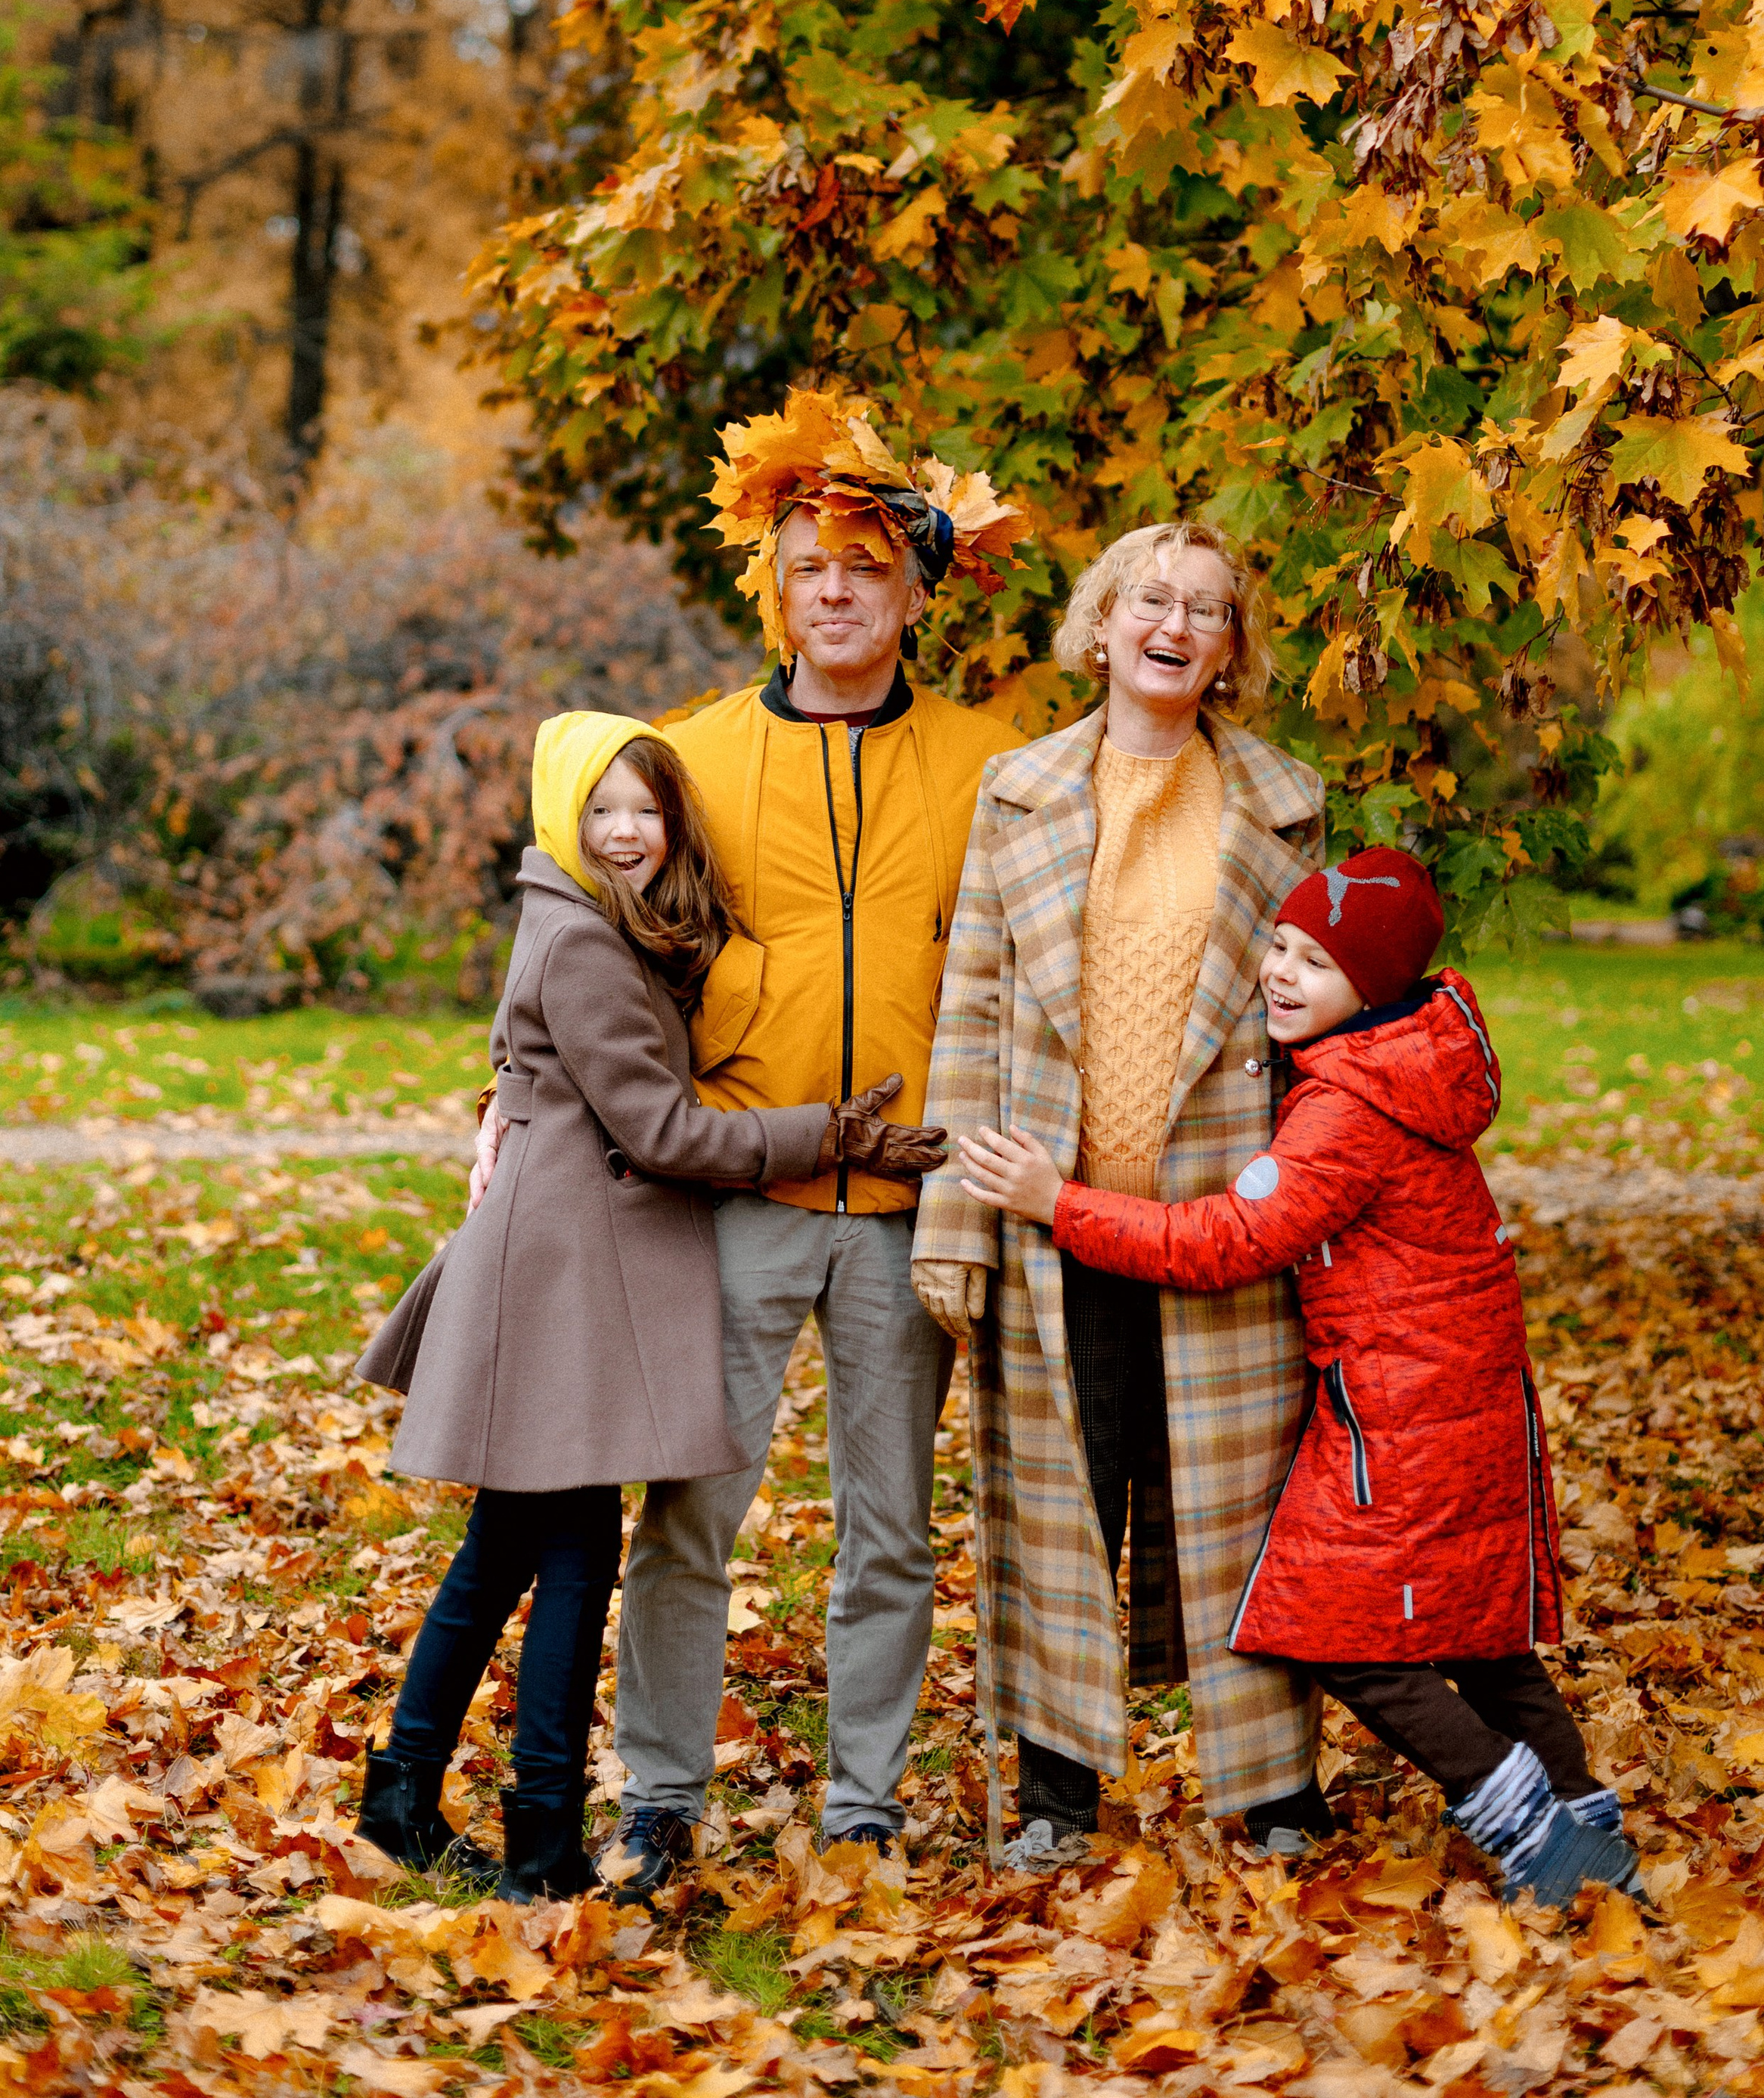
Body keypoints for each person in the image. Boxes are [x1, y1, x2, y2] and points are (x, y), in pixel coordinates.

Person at [473, 395, 1027, 1889]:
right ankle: (658, 1796)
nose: (834, 588)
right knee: (688, 1512)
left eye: (864, 563)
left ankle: (863, 1800)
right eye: (808, 565)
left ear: (915, 589)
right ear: (771, 588)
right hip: (724, 1188)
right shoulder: (695, 757)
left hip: (912, 1202)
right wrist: (501, 1104)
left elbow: (1040, 961)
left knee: (889, 1526)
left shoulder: (993, 759)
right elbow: (580, 938)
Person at [959, 845, 1639, 1907]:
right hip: (1460, 1389)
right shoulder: (1407, 1057)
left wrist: (1060, 1203)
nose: (1280, 973)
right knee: (1474, 1631)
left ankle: (1529, 1824)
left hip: (1401, 1407)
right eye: (1277, 945)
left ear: (1369, 989)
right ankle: (1589, 1825)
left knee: (1335, 1627)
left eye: (1315, 964)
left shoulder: (1348, 1111)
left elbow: (1227, 1239)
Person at [353, 711, 916, 1900]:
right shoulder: (585, 948)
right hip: (568, 1277)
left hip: (564, 1264)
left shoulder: (585, 921)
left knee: (512, 1545)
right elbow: (660, 1130)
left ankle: (403, 1790)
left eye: (645, 808)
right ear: (562, 812)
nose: (625, 831)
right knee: (570, 1552)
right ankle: (542, 1840)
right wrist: (827, 1132)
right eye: (601, 808)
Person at [911, 519, 1329, 1870]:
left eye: (1206, 608)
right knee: (1062, 1501)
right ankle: (1056, 1796)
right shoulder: (1018, 791)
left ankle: (1274, 1794)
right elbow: (971, 1008)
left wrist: (1319, 1207)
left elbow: (1320, 1027)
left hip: (1228, 1223)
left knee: (1239, 1511)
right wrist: (955, 1226)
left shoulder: (1285, 799)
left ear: (1228, 651)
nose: (1174, 622)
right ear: (1102, 627)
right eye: (1149, 597)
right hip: (1053, 1215)